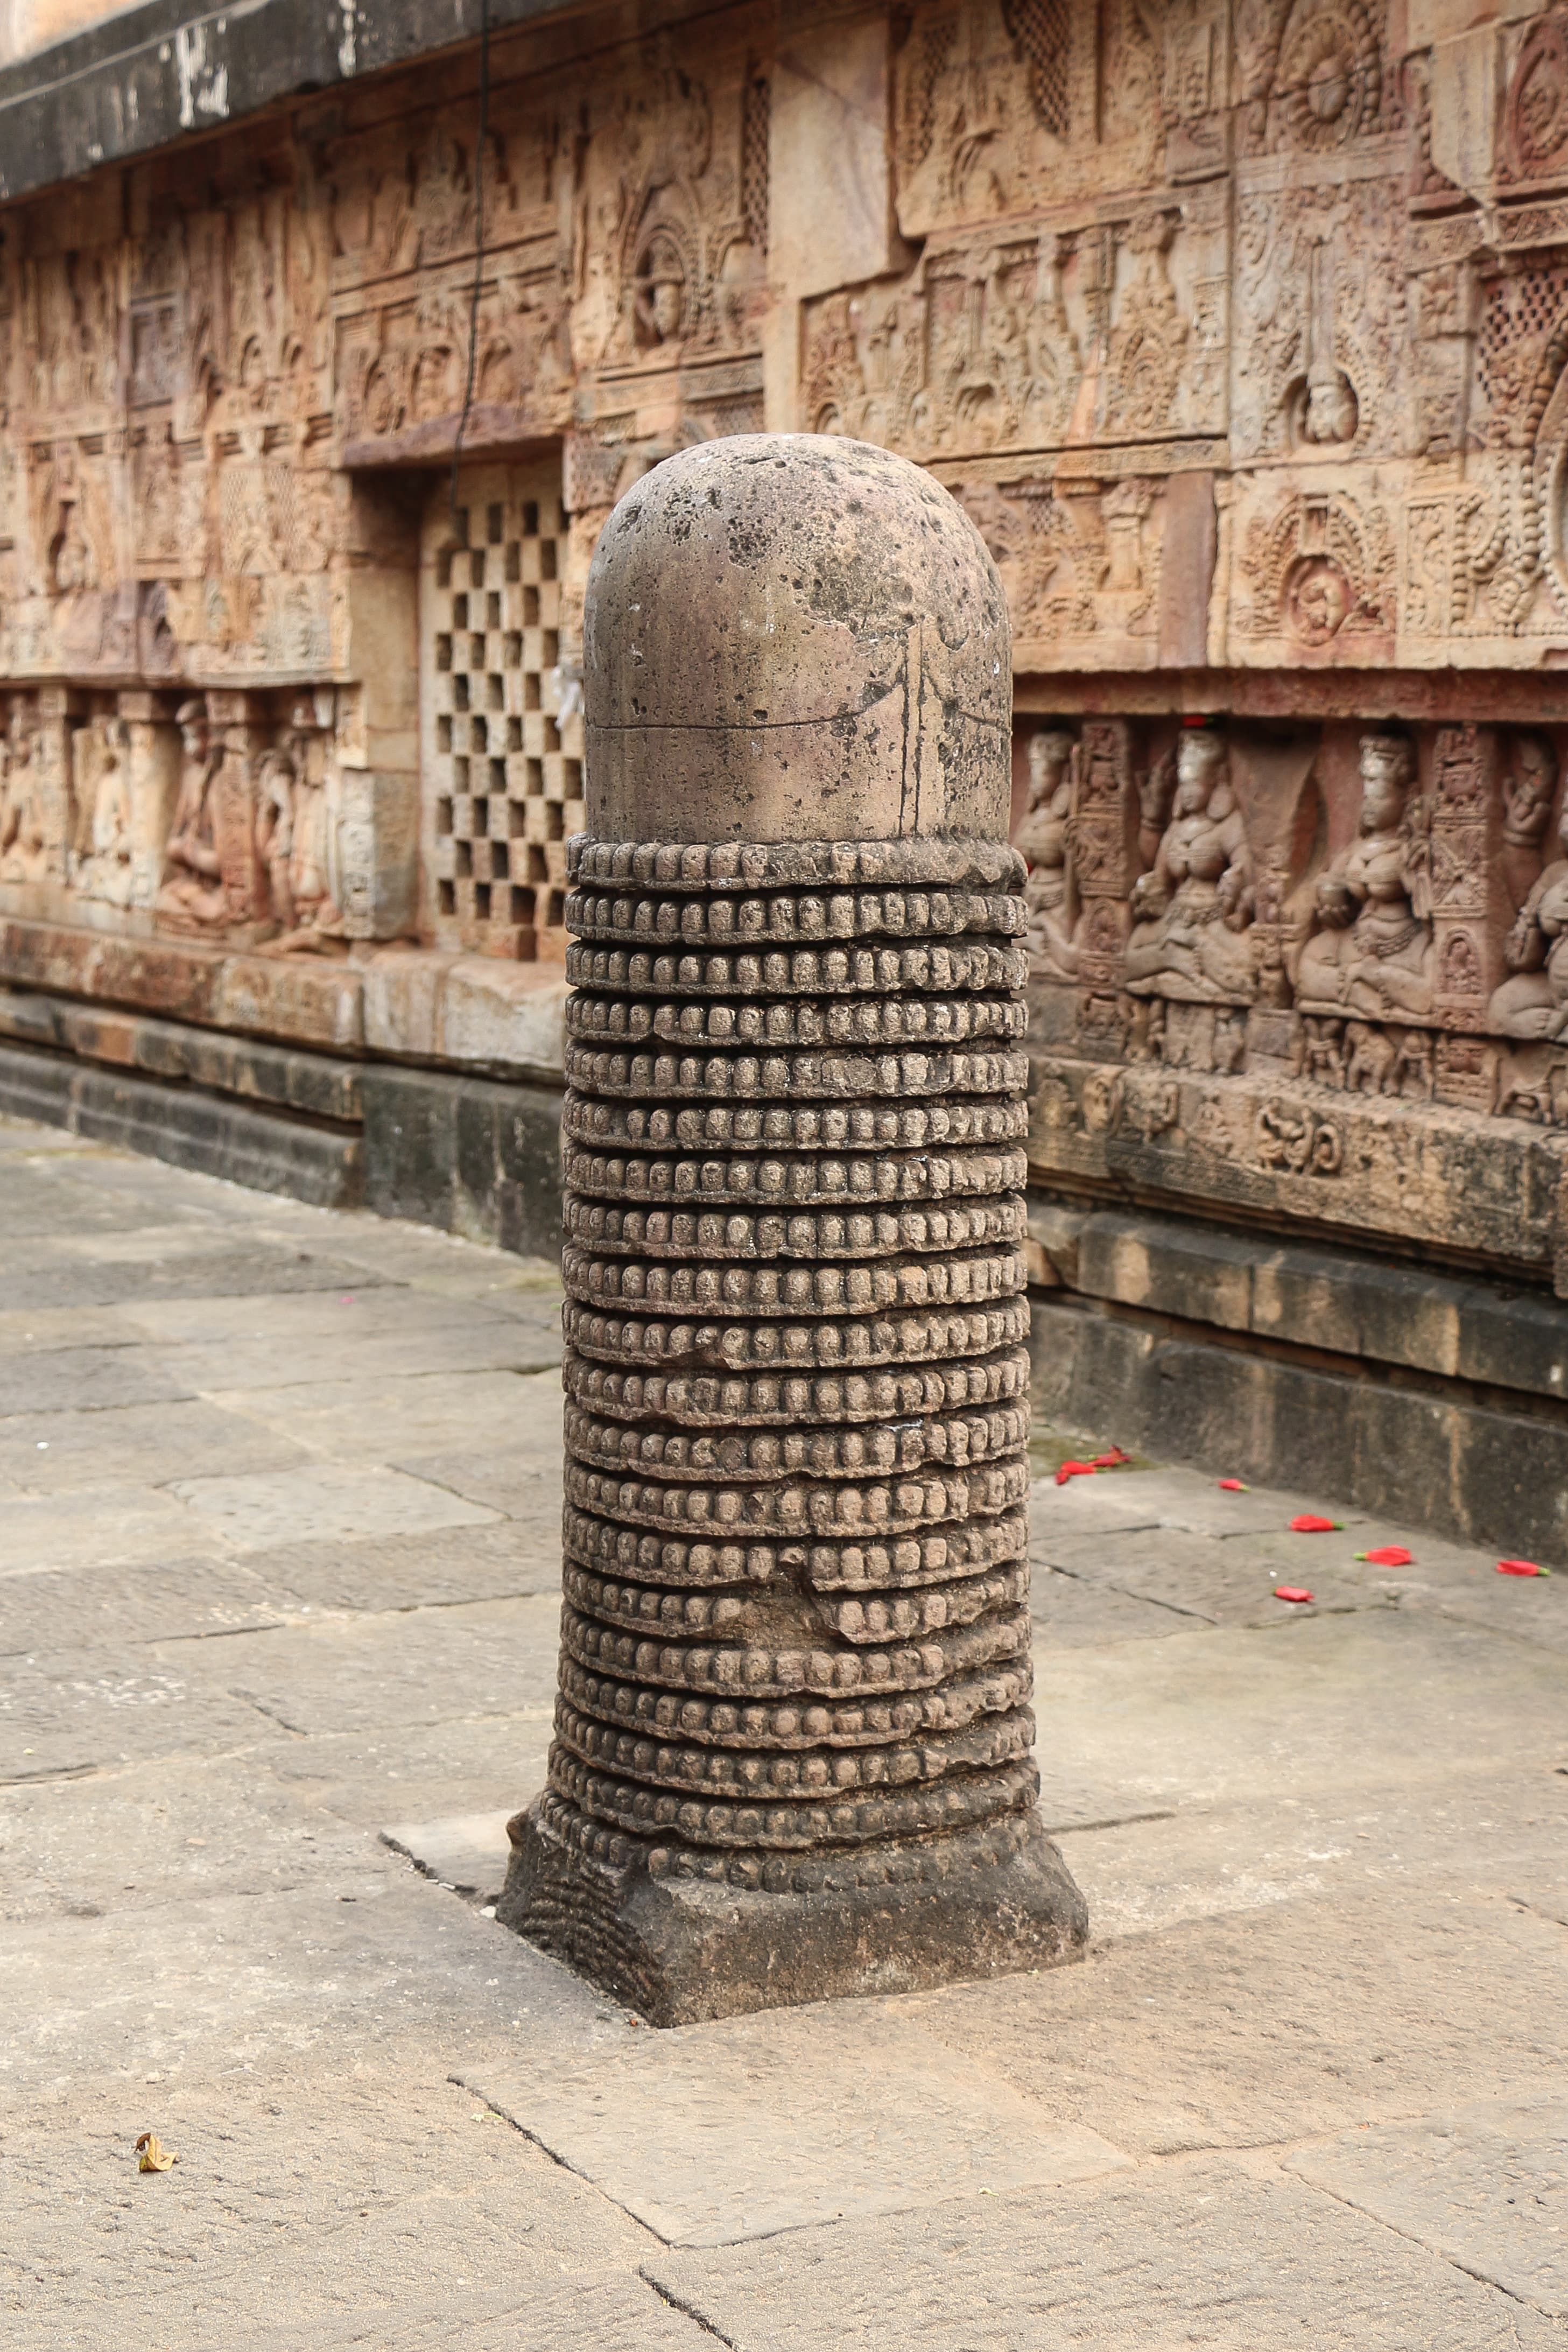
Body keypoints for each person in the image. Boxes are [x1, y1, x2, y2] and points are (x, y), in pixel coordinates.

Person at [1296, 734, 1435, 1021]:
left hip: (1403, 946)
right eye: (1366, 797)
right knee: (1306, 963)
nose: (1369, 805)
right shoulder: (1359, 847)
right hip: (1355, 942)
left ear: (1407, 796)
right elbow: (1330, 878)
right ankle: (1359, 991)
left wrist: (1416, 874)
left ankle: (1371, 980)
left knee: (1432, 989)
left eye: (1380, 798)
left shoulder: (1411, 847)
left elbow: (1429, 907)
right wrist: (1329, 895)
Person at [1124, 726, 1257, 1002]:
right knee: (1129, 956)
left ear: (1218, 779)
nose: (1187, 792)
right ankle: (1174, 959)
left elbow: (1246, 869)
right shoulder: (1177, 828)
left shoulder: (1228, 826)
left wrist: (1234, 882)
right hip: (1175, 916)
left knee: (1249, 966)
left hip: (1212, 920)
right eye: (1183, 784)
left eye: (1195, 783)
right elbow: (1159, 874)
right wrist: (1146, 888)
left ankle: (1182, 957)